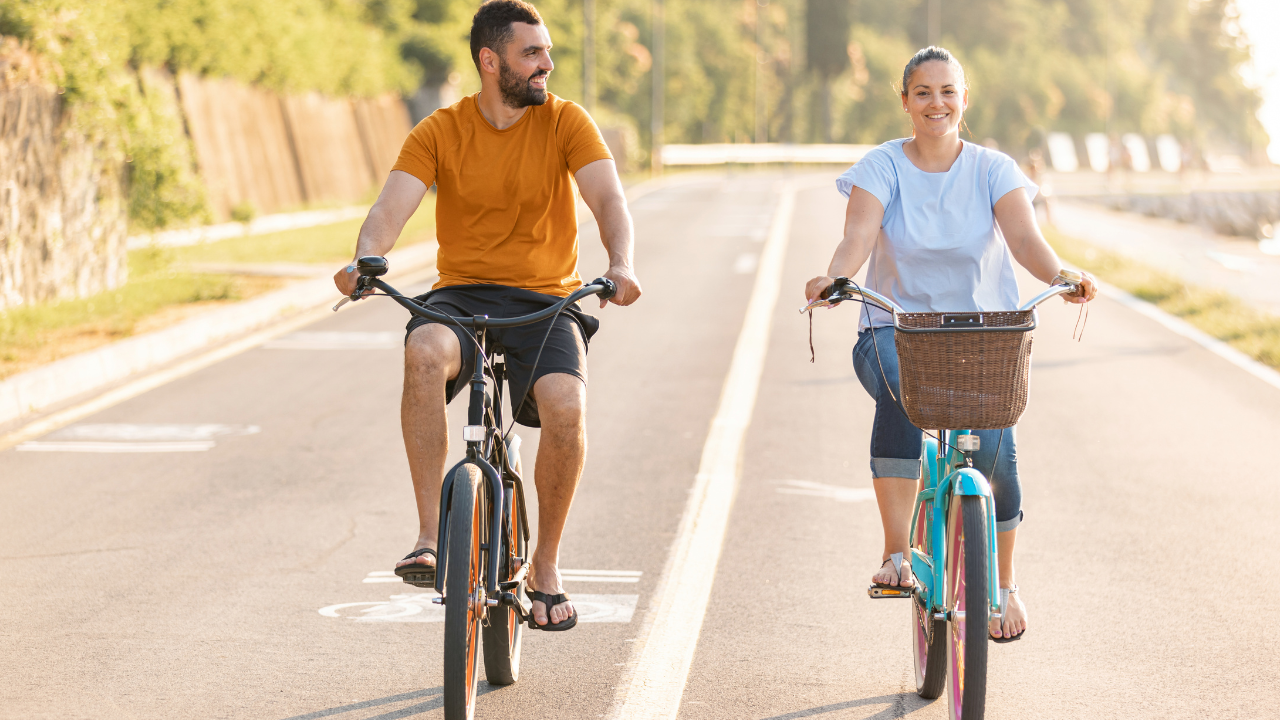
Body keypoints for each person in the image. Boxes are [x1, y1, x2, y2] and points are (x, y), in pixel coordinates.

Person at [333, 0, 641, 631]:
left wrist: (622, 263)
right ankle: (428, 535)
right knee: (422, 354)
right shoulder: (440, 130)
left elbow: (608, 196)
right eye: (532, 54)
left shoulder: (565, 122)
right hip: (463, 294)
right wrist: (366, 258)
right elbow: (391, 207)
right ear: (489, 60)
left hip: (546, 299)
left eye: (548, 52)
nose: (546, 65)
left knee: (565, 405)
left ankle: (545, 568)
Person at [803, 46, 1096, 643]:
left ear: (964, 100)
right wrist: (835, 277)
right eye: (923, 93)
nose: (936, 103)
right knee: (902, 393)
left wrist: (1060, 276)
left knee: (997, 456)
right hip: (895, 331)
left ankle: (1004, 585)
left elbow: (1025, 240)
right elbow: (857, 235)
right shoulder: (882, 165)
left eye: (948, 92)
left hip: (984, 340)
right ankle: (896, 557)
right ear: (905, 101)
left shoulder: (993, 169)